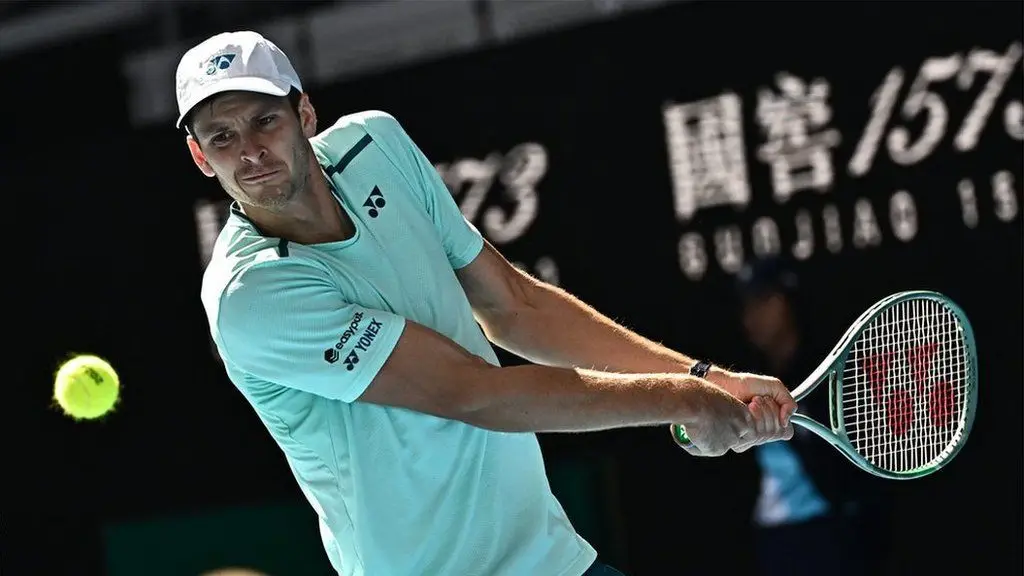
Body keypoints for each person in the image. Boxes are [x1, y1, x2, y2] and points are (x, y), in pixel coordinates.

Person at [178, 30, 797, 576]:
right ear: (201, 157)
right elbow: (471, 393)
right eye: (223, 137)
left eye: (266, 121)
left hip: (552, 559)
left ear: (304, 112)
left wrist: (702, 377)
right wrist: (682, 402)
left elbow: (514, 306)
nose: (250, 152)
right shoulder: (252, 295)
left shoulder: (377, 146)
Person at [736, 258, 892, 576]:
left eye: (765, 301)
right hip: (774, 542)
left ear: (787, 302)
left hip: (828, 539)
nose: (752, 317)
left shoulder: (835, 381)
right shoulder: (747, 378)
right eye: (748, 305)